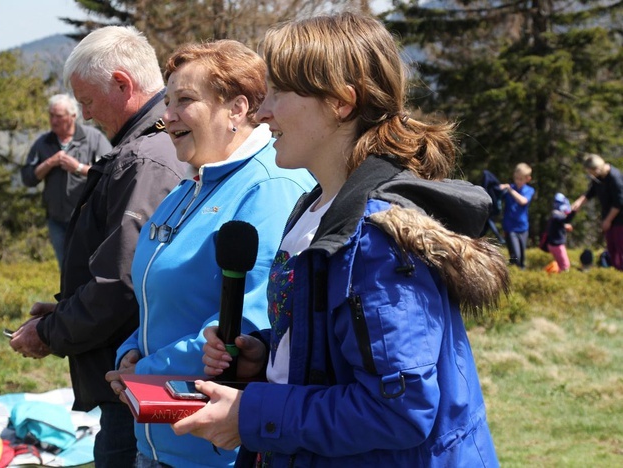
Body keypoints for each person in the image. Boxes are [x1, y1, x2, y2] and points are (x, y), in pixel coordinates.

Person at [172, 13, 509, 467]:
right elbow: (345, 348)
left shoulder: (377, 237)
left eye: (280, 93)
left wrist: (251, 413)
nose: (261, 111)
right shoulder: (315, 208)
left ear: (342, 103)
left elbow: (400, 409)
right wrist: (268, 354)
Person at [105, 40, 315, 467]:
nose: (167, 117)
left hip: (214, 448)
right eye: (166, 102)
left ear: (236, 110)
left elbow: (247, 323)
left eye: (184, 100)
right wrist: (129, 349)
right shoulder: (190, 185)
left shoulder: (268, 188)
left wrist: (139, 375)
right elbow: (155, 296)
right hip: (157, 438)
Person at [8, 26, 187, 468]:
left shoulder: (144, 159)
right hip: (132, 369)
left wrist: (50, 333)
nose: (85, 116)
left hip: (132, 376)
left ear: (123, 85)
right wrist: (65, 309)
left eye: (87, 102)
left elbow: (122, 282)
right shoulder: (155, 145)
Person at [21, 94, 112, 267]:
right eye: (51, 115)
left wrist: (78, 167)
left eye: (59, 116)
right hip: (56, 220)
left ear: (72, 116)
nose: (53, 120)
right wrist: (50, 163)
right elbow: (28, 178)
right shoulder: (44, 143)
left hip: (86, 220)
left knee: (88, 268)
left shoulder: (93, 138)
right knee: (65, 268)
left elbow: (110, 172)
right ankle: (68, 296)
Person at [571, 153, 623, 271]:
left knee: (621, 249)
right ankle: (615, 273)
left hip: (619, 219)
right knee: (612, 248)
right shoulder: (599, 177)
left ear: (597, 168)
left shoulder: (615, 178)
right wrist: (579, 202)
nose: (590, 175)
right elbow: (591, 191)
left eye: (591, 172)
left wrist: (608, 220)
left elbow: (619, 202)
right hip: (608, 218)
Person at [499, 162, 535, 269]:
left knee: (522, 258)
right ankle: (513, 273)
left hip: (523, 228)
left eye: (521, 179)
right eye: (516, 178)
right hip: (510, 228)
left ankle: (520, 275)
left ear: (527, 179)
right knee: (515, 256)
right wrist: (500, 188)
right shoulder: (509, 188)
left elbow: (523, 201)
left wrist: (510, 190)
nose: (517, 181)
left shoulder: (529, 190)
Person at [542, 193, 576, 272]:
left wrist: (564, 226)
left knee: (560, 265)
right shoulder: (556, 215)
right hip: (556, 245)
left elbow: (559, 224)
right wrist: (574, 211)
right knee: (565, 265)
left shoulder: (555, 215)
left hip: (553, 245)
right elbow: (566, 220)